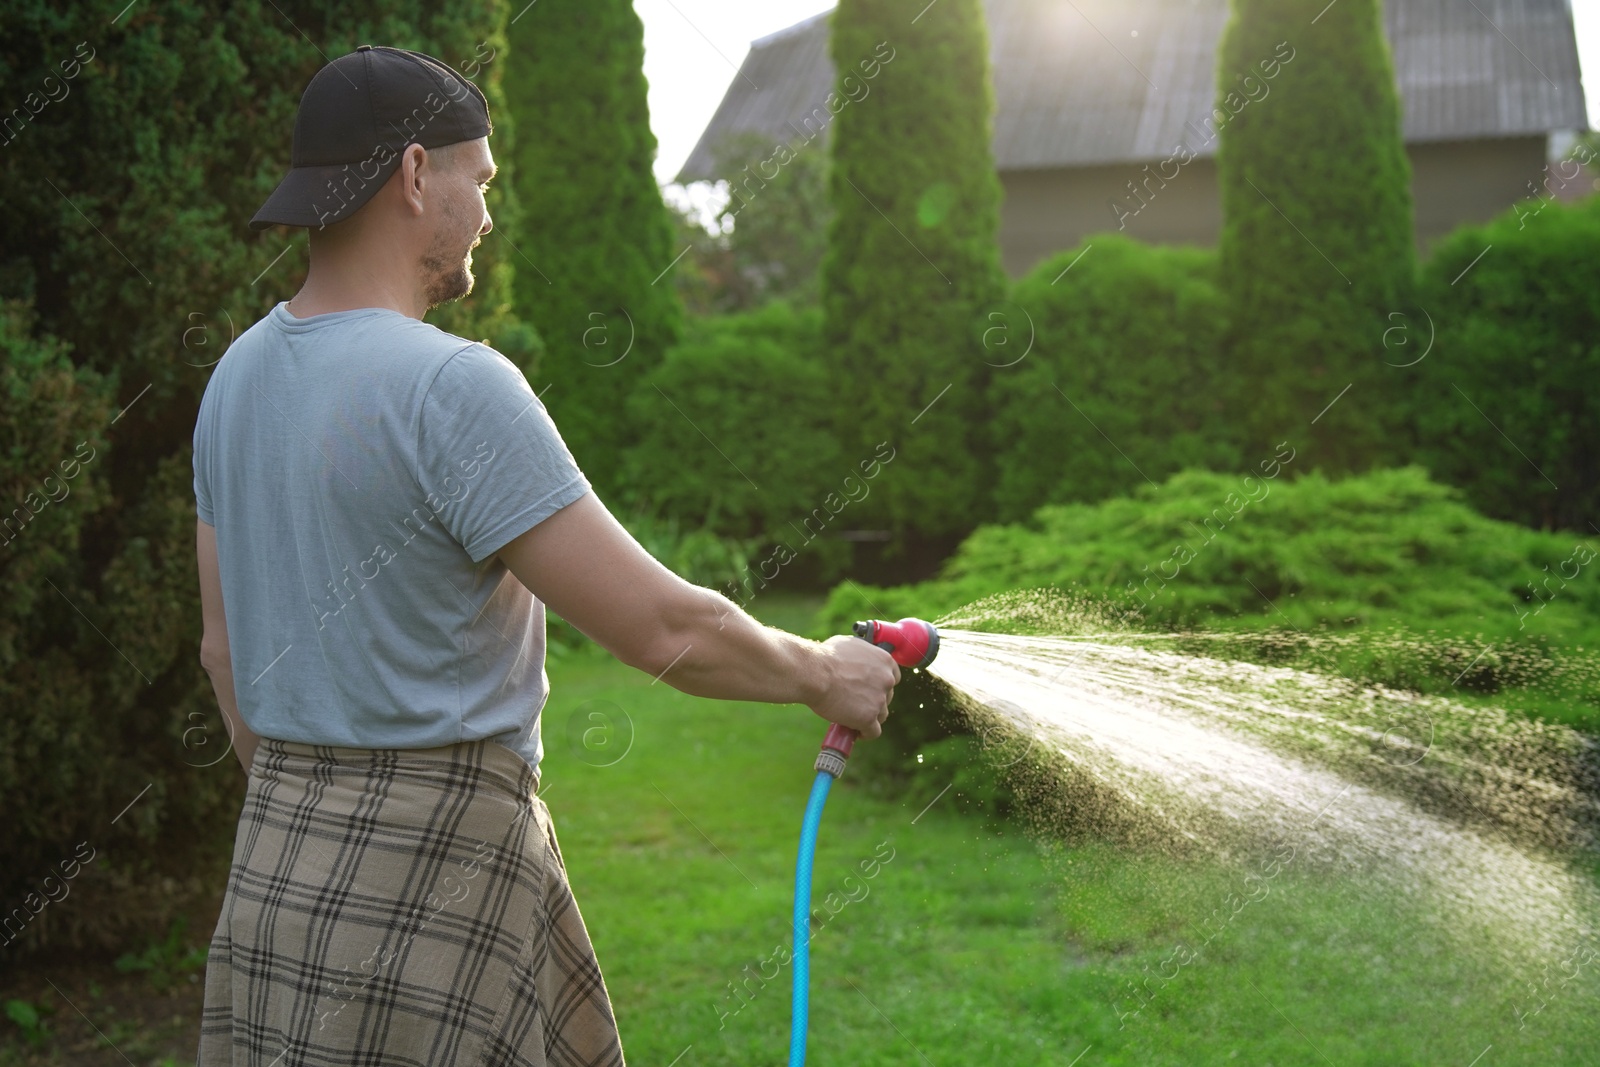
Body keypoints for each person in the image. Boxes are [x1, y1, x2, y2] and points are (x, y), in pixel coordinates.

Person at [191, 45, 899, 1067]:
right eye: (479, 181)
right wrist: (822, 674)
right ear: (413, 174)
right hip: (440, 873)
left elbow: (222, 654)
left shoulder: (235, 377)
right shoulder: (452, 387)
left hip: (274, 869)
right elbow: (660, 626)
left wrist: (312, 802)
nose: (486, 213)